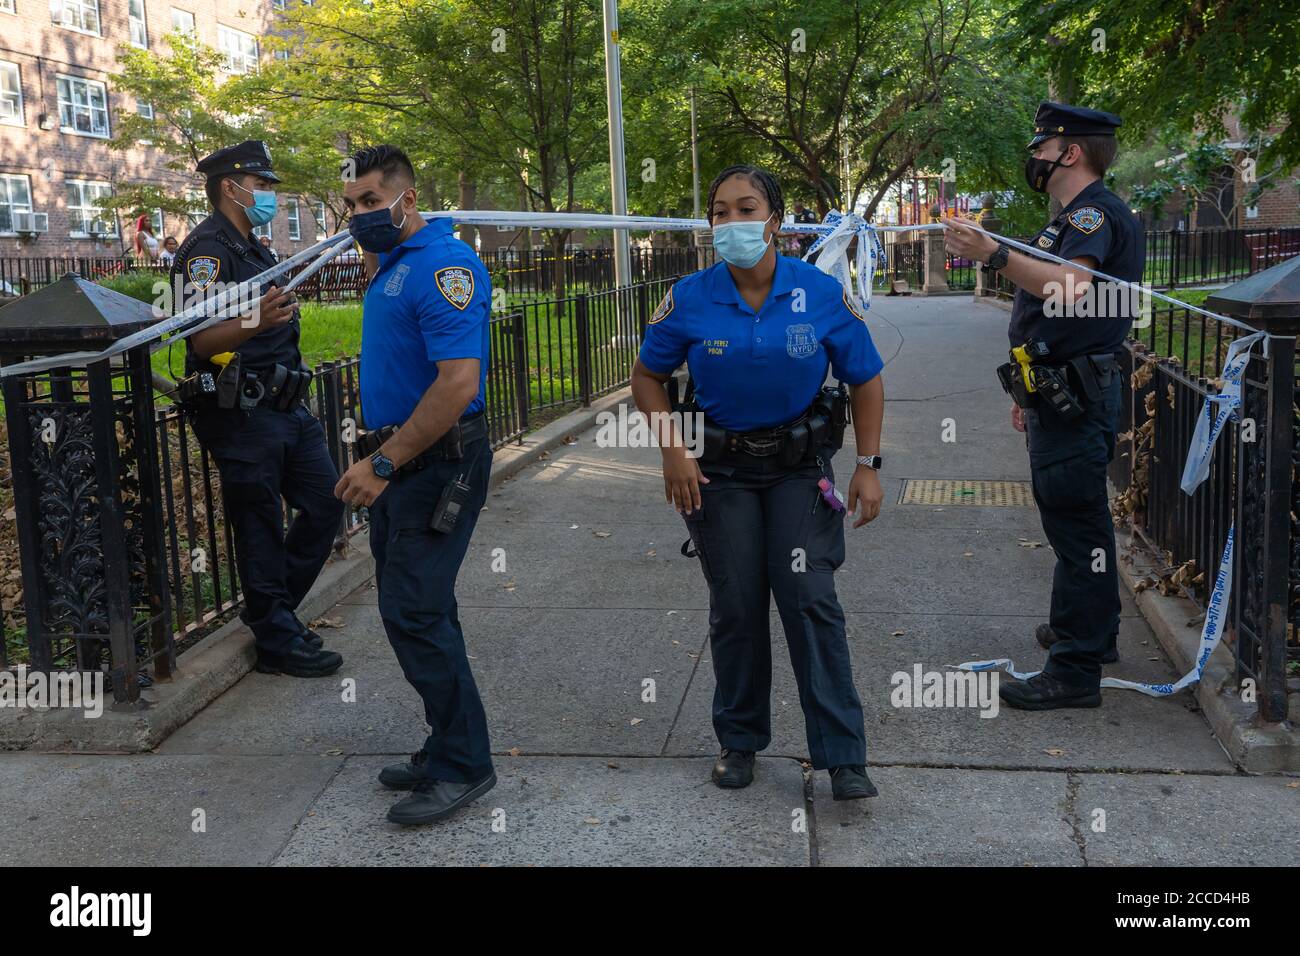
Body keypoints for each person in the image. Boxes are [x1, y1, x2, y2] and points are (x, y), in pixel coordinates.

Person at [630, 164, 886, 800]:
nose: (732, 222)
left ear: (774, 219)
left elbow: (866, 379)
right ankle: (739, 741)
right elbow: (647, 378)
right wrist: (673, 451)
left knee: (810, 600)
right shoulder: (690, 295)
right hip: (719, 473)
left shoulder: (820, 291)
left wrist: (868, 465)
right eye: (720, 211)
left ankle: (842, 755)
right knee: (737, 607)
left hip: (800, 471)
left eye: (746, 209)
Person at [941, 102, 1144, 710]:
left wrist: (992, 255)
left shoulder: (1092, 216)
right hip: (1059, 389)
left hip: (1076, 395)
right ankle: (1088, 631)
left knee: (1075, 522)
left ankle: (1074, 671)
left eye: (1041, 146)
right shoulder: (1072, 218)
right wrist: (1026, 393)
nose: (1034, 157)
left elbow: (1068, 290)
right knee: (1076, 519)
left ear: (1069, 152)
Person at [333, 144, 496, 826]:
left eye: (371, 201)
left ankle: (464, 766)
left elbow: (456, 384)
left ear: (407, 198)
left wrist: (382, 463)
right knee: (420, 611)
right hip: (410, 465)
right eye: (351, 205)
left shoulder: (446, 265)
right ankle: (447, 744)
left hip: (435, 465)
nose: (358, 215)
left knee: (416, 611)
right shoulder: (397, 264)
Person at [169, 140, 345, 679]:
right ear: (231, 186)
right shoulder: (205, 251)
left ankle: (272, 613)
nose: (269, 194)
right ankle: (275, 637)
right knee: (261, 522)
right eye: (262, 185)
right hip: (241, 411)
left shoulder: (256, 248)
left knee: (325, 503)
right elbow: (194, 340)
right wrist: (255, 321)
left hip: (286, 403)